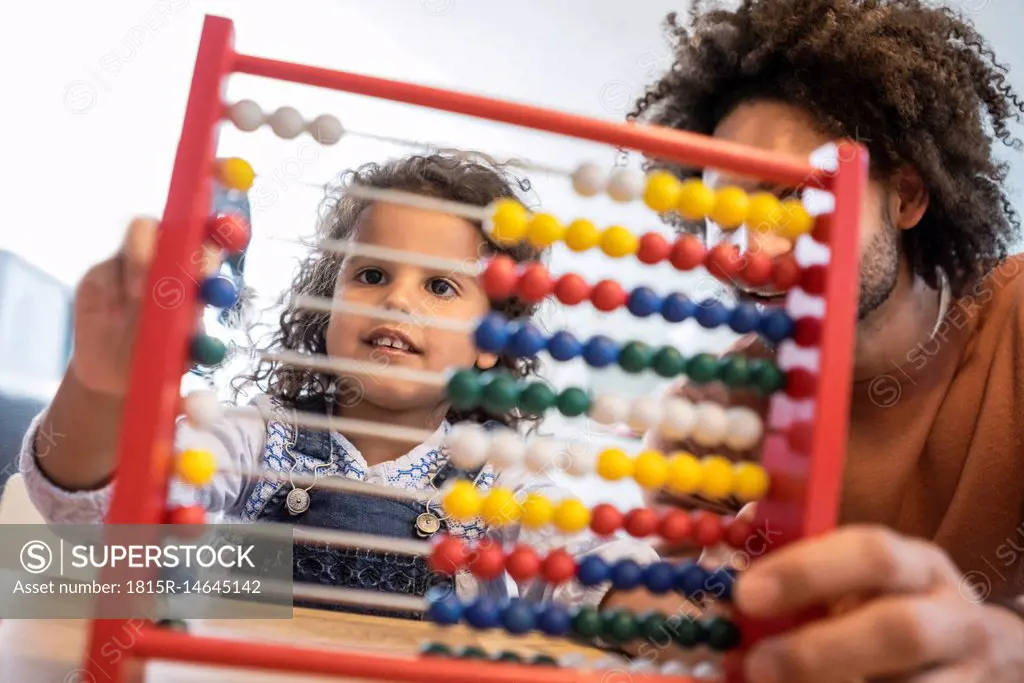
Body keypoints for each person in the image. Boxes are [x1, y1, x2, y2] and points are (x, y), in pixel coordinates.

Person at [18, 153, 656, 617]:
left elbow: (591, 562)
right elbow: (101, 520)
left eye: (439, 286)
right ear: (328, 307)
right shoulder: (256, 438)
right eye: (372, 275)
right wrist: (100, 389)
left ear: (492, 345)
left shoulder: (499, 480)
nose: (396, 302)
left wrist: (649, 605)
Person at [627, 1, 1024, 681]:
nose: (751, 254)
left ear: (905, 198)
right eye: (726, 217)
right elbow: (642, 608)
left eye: (791, 200)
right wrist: (708, 611)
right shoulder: (704, 413)